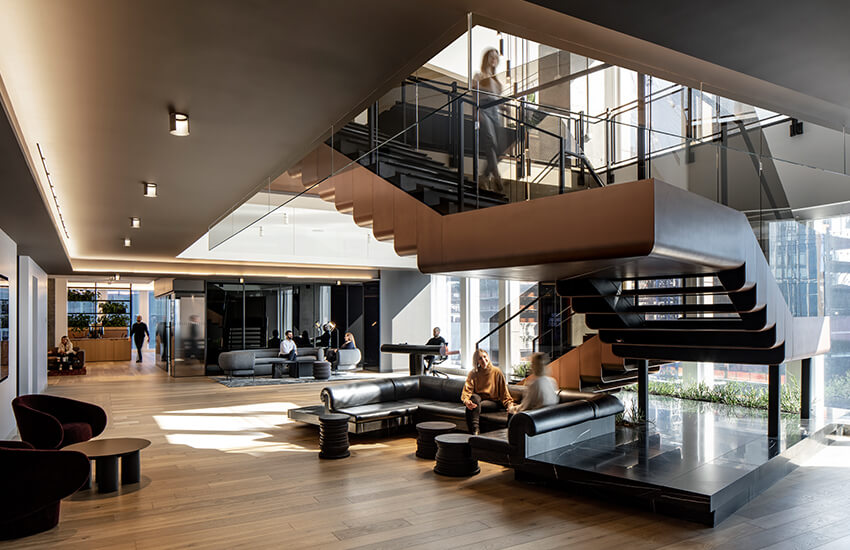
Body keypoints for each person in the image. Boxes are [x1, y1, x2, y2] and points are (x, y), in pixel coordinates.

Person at [473, 47, 504, 193]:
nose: (494, 59)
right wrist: (477, 112)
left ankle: (483, 177)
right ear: (487, 58)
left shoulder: (497, 80)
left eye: (496, 57)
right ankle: (496, 176)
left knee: (497, 148)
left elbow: (498, 100)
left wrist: (506, 108)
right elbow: (474, 96)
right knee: (490, 141)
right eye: (491, 56)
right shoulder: (479, 75)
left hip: (495, 112)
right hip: (484, 109)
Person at [461, 348, 513, 435]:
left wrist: (509, 404)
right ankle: (475, 430)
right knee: (473, 399)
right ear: (476, 361)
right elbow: (467, 390)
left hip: (493, 402)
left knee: (474, 406)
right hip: (478, 400)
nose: (483, 360)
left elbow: (504, 392)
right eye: (480, 358)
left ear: (488, 357)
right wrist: (466, 401)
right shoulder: (473, 373)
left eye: (485, 357)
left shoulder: (497, 372)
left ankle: (474, 432)